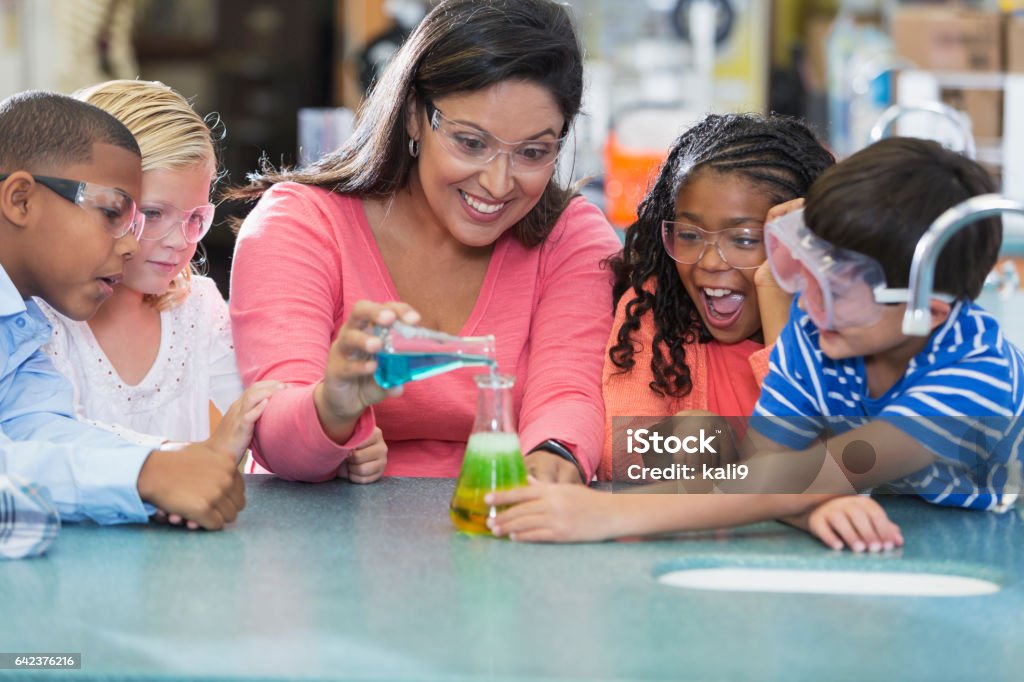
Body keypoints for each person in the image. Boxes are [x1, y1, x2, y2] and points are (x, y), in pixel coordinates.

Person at [489, 138, 1021, 546]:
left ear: (923, 313)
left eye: (837, 290)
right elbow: (766, 470)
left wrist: (602, 515)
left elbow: (823, 468)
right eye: (805, 274)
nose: (809, 305)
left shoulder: (976, 376)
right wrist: (809, 506)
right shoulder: (822, 337)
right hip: (918, 537)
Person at [228, 0, 620, 482]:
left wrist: (552, 463)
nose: (498, 184)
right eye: (471, 143)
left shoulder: (573, 239)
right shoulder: (301, 225)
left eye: (533, 152)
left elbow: (568, 395)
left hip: (501, 518)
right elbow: (277, 443)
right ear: (414, 115)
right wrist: (331, 404)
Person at [34, 80, 387, 481]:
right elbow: (45, 439)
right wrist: (199, 454)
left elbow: (267, 421)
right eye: (152, 214)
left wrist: (329, 438)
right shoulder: (37, 316)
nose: (178, 241)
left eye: (194, 219)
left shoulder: (196, 307)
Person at [0, 90, 274, 530]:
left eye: (193, 218)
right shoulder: (45, 320)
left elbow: (40, 431)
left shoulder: (20, 325)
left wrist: (163, 466)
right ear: (21, 200)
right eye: (114, 213)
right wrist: (147, 473)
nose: (130, 243)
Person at [600, 113, 834, 481]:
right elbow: (619, 453)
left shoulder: (843, 323)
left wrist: (778, 308)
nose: (708, 262)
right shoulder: (656, 308)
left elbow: (831, 459)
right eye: (689, 235)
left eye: (743, 239)